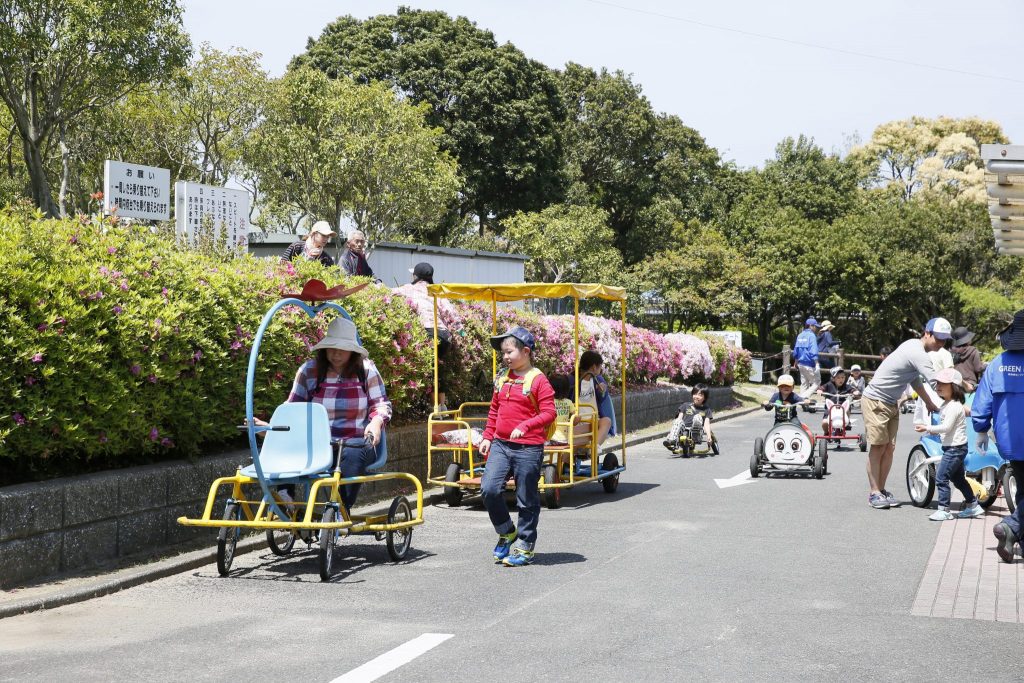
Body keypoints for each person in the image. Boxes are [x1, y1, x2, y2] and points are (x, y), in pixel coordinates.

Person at [253, 316, 391, 512]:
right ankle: (285, 498)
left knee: (353, 453)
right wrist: (271, 428)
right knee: (285, 444)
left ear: (352, 350)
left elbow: (381, 404)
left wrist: (376, 422)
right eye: (331, 348)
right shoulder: (309, 371)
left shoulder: (366, 370)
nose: (336, 354)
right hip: (316, 444)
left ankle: (340, 508)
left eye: (342, 349)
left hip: (354, 442)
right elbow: (292, 409)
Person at [479, 326, 556, 567]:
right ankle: (506, 531)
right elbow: (494, 411)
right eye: (503, 353)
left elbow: (549, 413)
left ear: (525, 351)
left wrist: (526, 425)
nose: (505, 357)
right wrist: (487, 437)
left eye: (509, 352)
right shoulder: (502, 378)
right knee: (489, 489)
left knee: (526, 499)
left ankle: (525, 544)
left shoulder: (538, 380)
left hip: (528, 448)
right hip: (501, 445)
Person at [860, 318, 948, 509]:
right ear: (927, 333)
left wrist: (930, 403)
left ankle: (881, 491)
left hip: (891, 403)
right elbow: (934, 381)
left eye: (945, 340)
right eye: (938, 338)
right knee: (878, 447)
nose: (941, 343)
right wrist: (957, 396)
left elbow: (915, 380)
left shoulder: (914, 347)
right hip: (876, 400)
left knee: (889, 448)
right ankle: (874, 493)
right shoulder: (918, 353)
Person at [972, 309, 1024, 563]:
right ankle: (1012, 526)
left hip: (1009, 441)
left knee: (1023, 488)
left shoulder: (997, 364)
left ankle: (1017, 541)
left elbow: (981, 403)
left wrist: (981, 429)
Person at [914, 368, 982, 521]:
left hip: (955, 449)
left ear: (955, 387)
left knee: (941, 477)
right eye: (938, 383)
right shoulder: (948, 404)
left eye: (944, 384)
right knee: (958, 479)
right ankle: (972, 505)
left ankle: (944, 509)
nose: (939, 386)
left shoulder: (953, 406)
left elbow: (946, 427)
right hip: (954, 447)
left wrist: (927, 428)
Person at [392, 261, 454, 411]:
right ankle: (442, 406)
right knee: (439, 368)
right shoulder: (436, 291)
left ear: (416, 275)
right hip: (444, 334)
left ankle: (434, 408)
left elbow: (388, 292)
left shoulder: (409, 288)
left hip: (427, 332)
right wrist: (460, 331)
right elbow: (450, 312)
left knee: (431, 369)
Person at [577, 350, 615, 446]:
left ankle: (594, 447)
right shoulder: (573, 381)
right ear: (594, 367)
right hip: (578, 421)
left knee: (606, 421)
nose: (600, 370)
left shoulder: (598, 380)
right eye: (600, 367)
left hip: (594, 421)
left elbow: (603, 397)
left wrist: (602, 391)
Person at [663, 384, 714, 453]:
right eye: (695, 394)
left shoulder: (706, 410)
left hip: (697, 430)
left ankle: (696, 436)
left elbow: (706, 424)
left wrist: (709, 436)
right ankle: (672, 440)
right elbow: (679, 419)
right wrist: (671, 432)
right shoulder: (685, 405)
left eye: (700, 395)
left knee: (697, 417)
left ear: (705, 398)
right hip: (684, 428)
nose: (697, 397)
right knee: (678, 421)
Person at [817, 366, 859, 432]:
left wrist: (854, 392)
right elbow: (822, 388)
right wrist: (820, 390)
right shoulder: (829, 385)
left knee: (848, 407)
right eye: (838, 378)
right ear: (833, 379)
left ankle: (847, 422)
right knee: (824, 423)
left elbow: (851, 389)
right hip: (830, 409)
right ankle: (826, 433)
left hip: (842, 409)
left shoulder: (846, 386)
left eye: (843, 377)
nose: (841, 379)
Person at [793, 318, 821, 406]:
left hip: (800, 363)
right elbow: (813, 350)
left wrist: (796, 361)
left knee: (804, 383)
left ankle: (803, 403)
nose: (816, 328)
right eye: (815, 326)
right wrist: (816, 363)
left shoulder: (800, 335)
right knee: (817, 382)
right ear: (811, 326)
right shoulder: (812, 336)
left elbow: (796, 349)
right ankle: (803, 397)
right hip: (810, 363)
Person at [952, 326, 986, 391]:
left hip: (956, 384)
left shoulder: (953, 351)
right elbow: (978, 369)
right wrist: (985, 365)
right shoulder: (973, 351)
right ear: (967, 340)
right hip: (970, 385)